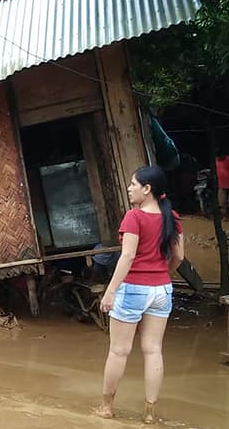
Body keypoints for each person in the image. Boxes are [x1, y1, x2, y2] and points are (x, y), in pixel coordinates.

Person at [93, 166, 184, 424]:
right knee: (153, 351)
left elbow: (128, 256)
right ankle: (149, 413)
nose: (130, 188)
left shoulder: (134, 217)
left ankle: (106, 407)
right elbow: (179, 257)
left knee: (119, 351)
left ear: (148, 189)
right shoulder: (172, 217)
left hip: (133, 288)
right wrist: (161, 274)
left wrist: (110, 291)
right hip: (162, 290)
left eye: (134, 184)